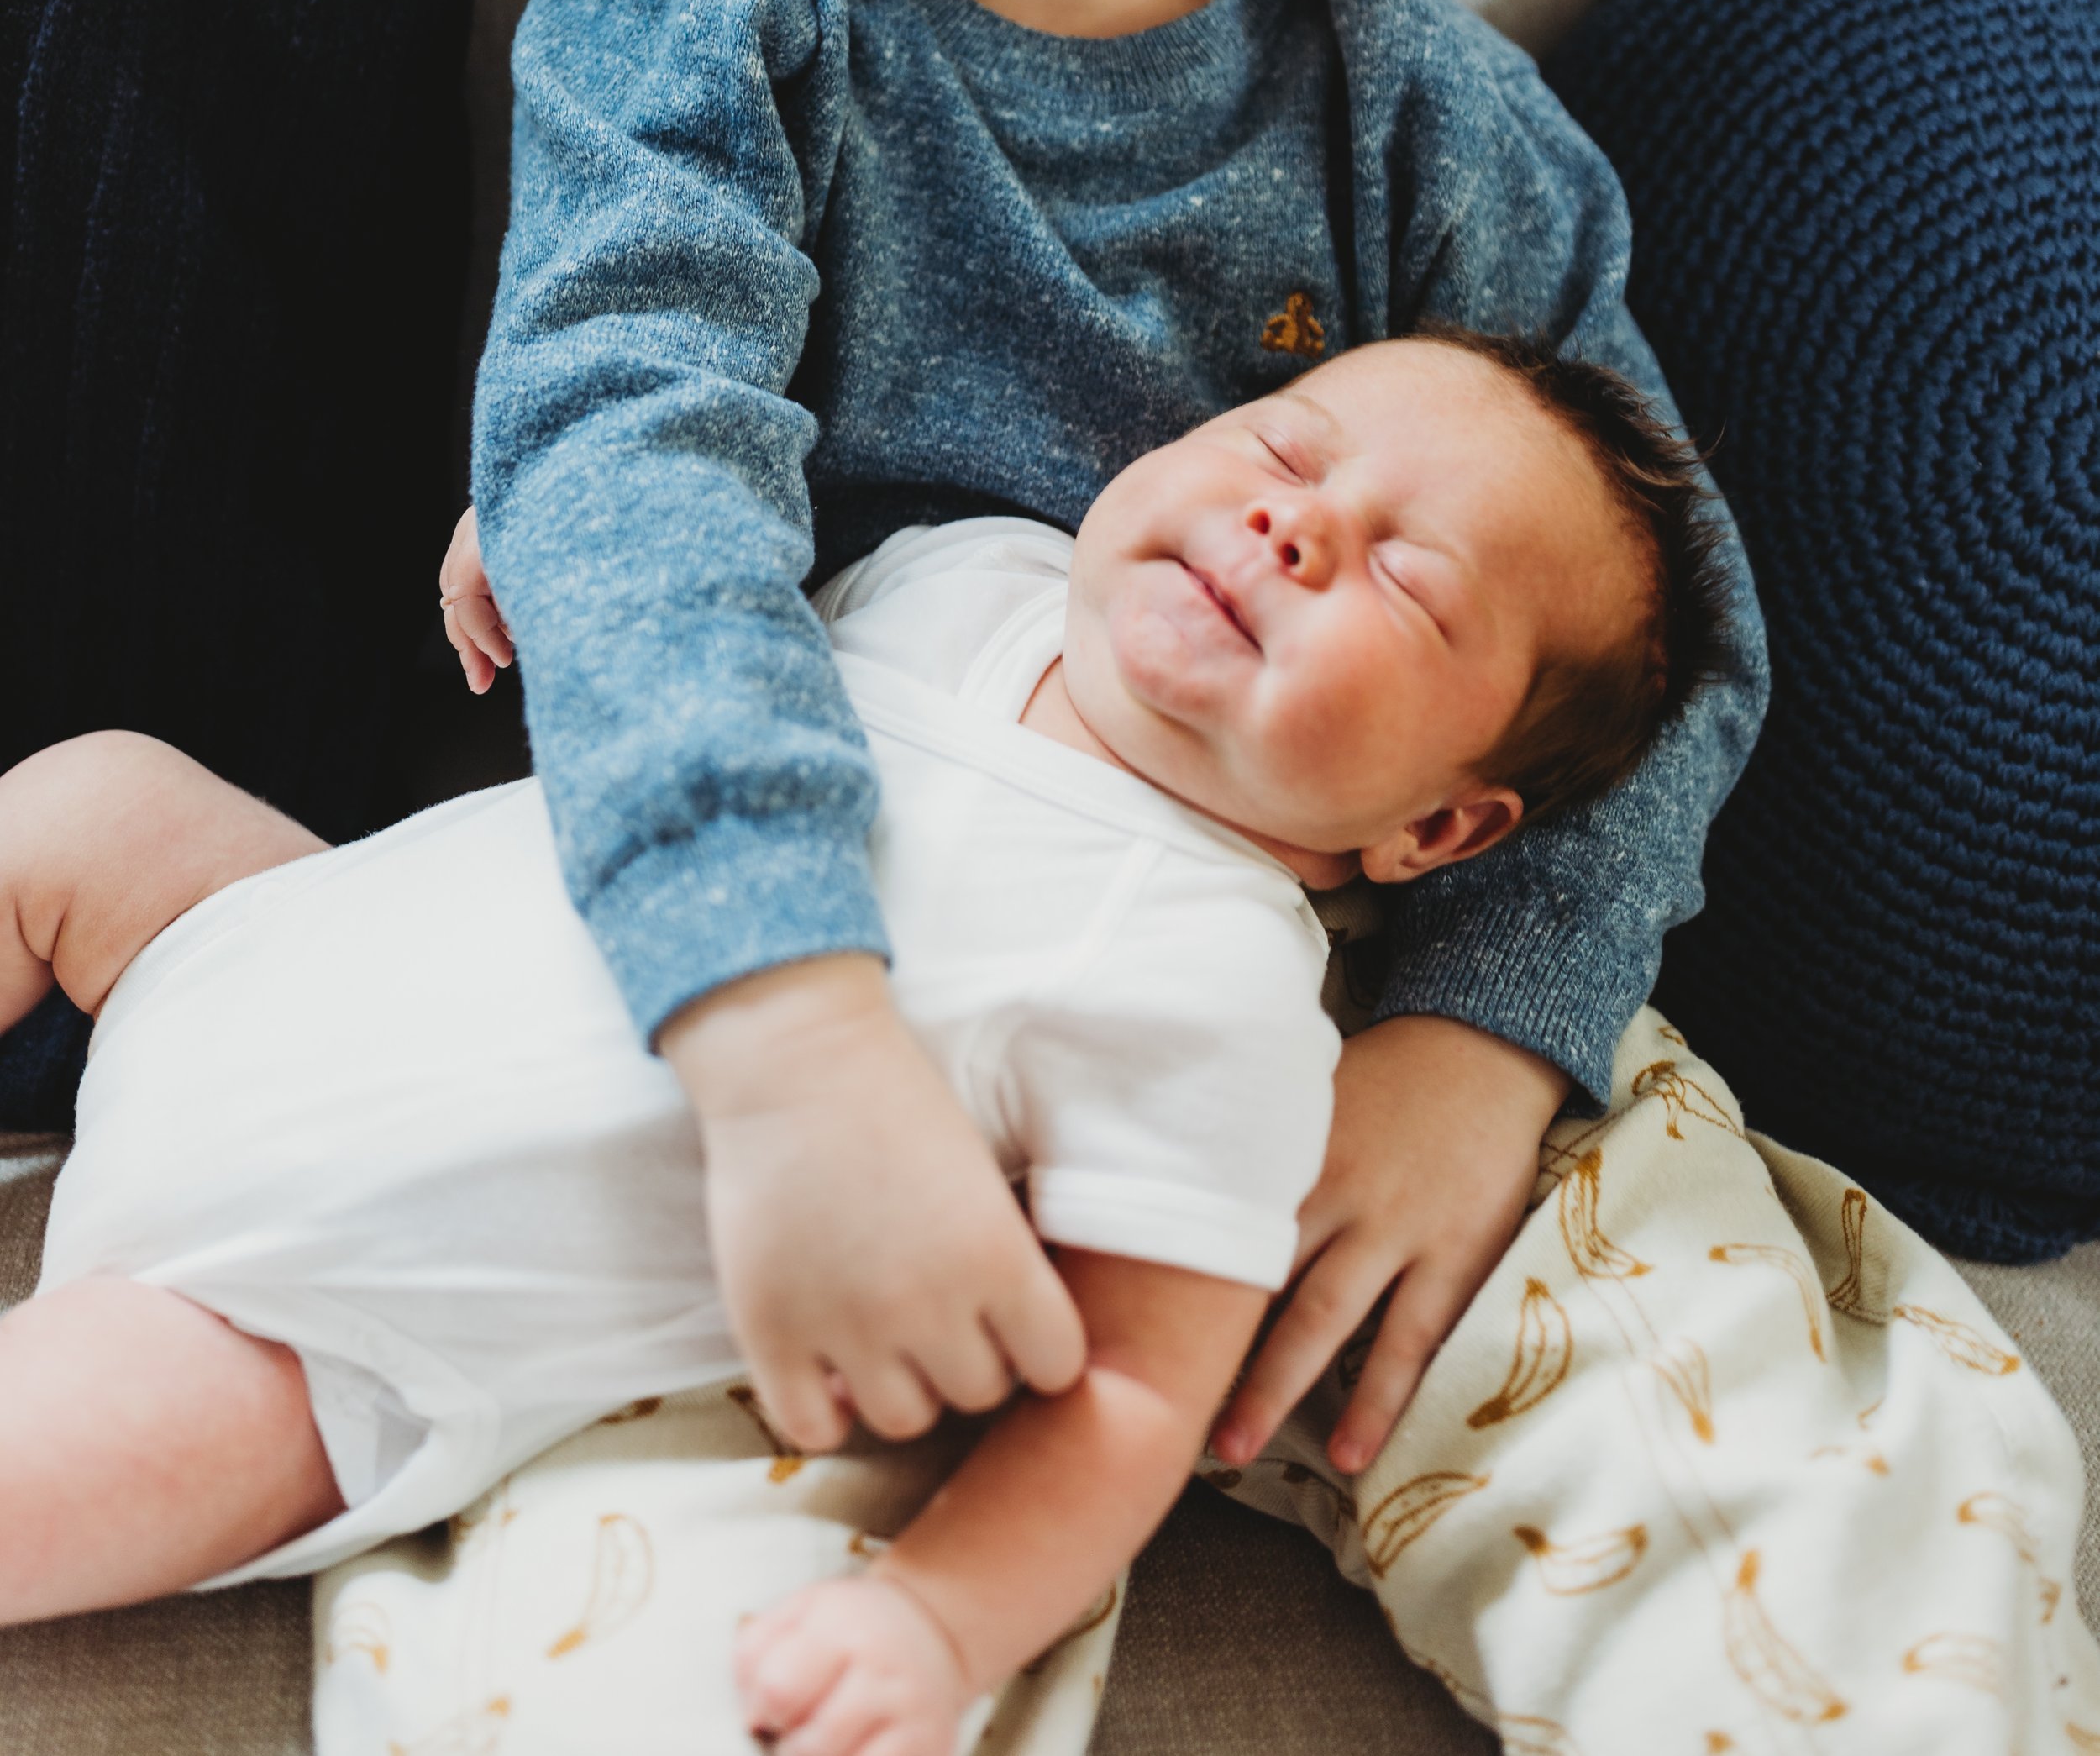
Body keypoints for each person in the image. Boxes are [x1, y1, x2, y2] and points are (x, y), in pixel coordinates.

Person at [439, 0, 1769, 1489]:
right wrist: (786, 1023)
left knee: (1713, 1414)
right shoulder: (713, 7)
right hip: (821, 901)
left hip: (1265, 980)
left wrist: (1480, 1036)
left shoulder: (1429, 122)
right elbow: (625, 458)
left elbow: (1662, 602)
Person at [0, 337, 1725, 1756]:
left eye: (1404, 583)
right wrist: (562, 522)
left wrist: (934, 1613)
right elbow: (687, 591)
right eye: (1282, 448)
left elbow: (1131, 1395)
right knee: (85, 801)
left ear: (1434, 830)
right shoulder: (973, 574)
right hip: (244, 941)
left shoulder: (1212, 998)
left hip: (311, 1318)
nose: (1295, 526)